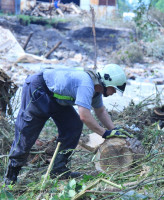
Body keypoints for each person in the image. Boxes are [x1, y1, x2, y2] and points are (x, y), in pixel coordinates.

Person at [5, 64, 133, 185]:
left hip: (56, 98)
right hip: (38, 89)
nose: (114, 93)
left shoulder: (96, 91)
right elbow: (84, 116)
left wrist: (114, 130)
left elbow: (100, 111)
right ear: (106, 83)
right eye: (114, 89)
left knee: (73, 126)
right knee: (26, 132)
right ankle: (11, 175)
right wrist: (105, 133)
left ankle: (58, 170)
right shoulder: (87, 85)